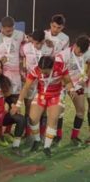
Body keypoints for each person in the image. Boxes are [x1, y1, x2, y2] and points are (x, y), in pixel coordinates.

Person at [13, 56, 76, 157]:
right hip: (42, 94)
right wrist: (18, 104)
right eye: (41, 71)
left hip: (56, 95)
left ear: (52, 67)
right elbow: (26, 87)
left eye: (45, 72)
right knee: (33, 118)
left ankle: (47, 147)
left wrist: (71, 89)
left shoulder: (61, 67)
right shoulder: (36, 70)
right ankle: (37, 140)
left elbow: (68, 81)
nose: (42, 74)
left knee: (53, 118)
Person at [0, 16, 26, 140]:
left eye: (11, 30)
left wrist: (23, 69)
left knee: (15, 106)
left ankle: (8, 132)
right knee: (0, 107)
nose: (9, 32)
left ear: (14, 27)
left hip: (16, 77)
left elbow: (26, 49)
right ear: (2, 28)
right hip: (2, 76)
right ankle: (0, 134)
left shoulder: (20, 35)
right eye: (6, 30)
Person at [55, 35, 90, 145]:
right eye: (79, 52)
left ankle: (74, 137)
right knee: (59, 111)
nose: (80, 55)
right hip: (61, 84)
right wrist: (69, 88)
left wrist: (86, 77)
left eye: (82, 53)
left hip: (77, 85)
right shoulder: (62, 56)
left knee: (81, 111)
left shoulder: (87, 51)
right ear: (75, 45)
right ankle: (58, 135)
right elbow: (59, 75)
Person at [20, 30, 54, 138]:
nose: (38, 45)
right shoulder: (25, 47)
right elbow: (21, 58)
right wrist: (22, 71)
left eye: (40, 43)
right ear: (31, 40)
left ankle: (42, 133)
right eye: (35, 43)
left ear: (44, 41)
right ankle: (28, 132)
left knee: (43, 108)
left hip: (44, 82)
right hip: (30, 81)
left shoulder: (49, 48)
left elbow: (52, 63)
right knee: (28, 106)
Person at [44, 14, 70, 146]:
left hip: (58, 77)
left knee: (59, 108)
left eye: (58, 28)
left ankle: (58, 135)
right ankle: (43, 133)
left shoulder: (65, 39)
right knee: (42, 106)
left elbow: (66, 58)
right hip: (43, 77)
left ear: (62, 27)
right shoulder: (43, 35)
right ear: (50, 24)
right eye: (53, 26)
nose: (55, 30)